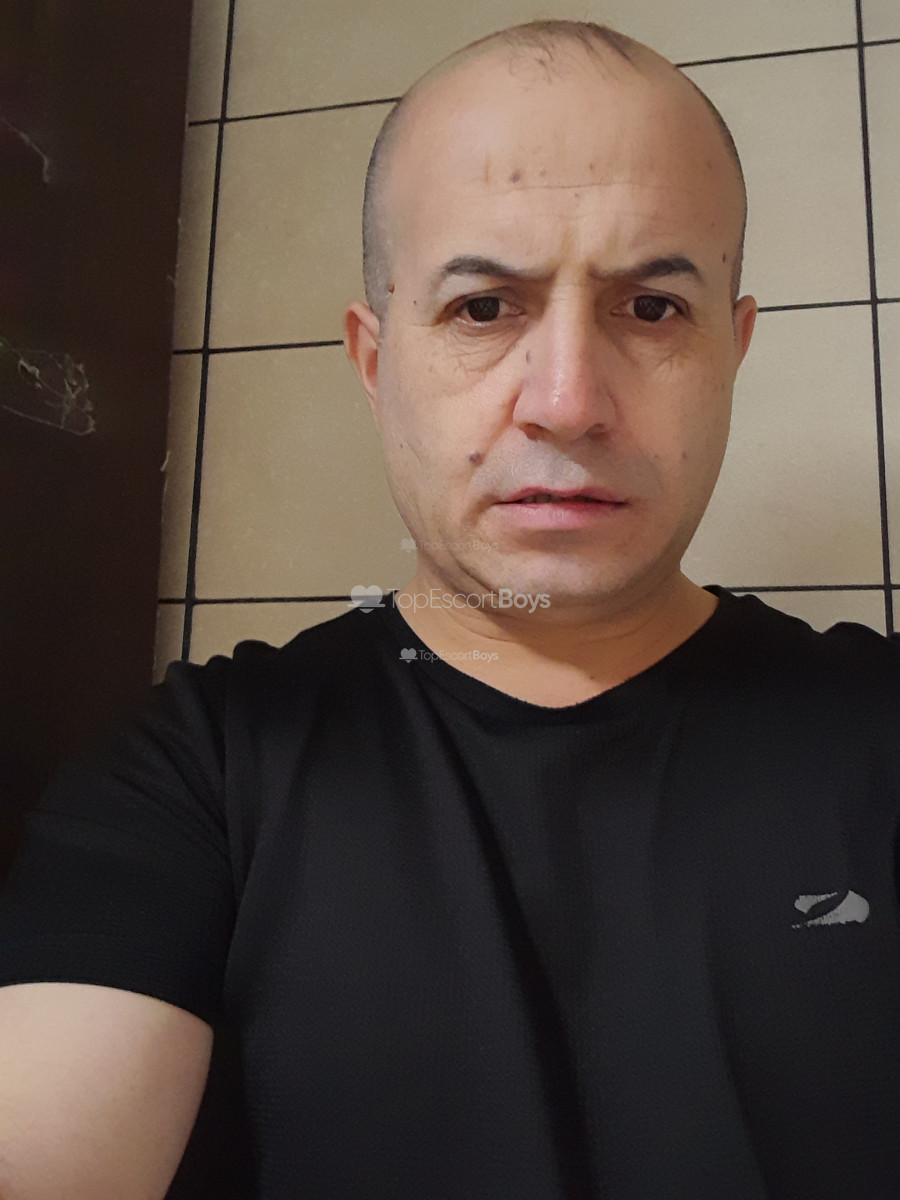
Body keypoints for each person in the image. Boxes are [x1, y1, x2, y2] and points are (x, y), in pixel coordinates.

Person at [1, 18, 899, 1200]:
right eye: (482, 309)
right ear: (376, 364)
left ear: (731, 353)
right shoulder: (196, 778)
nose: (567, 402)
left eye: (651, 309)